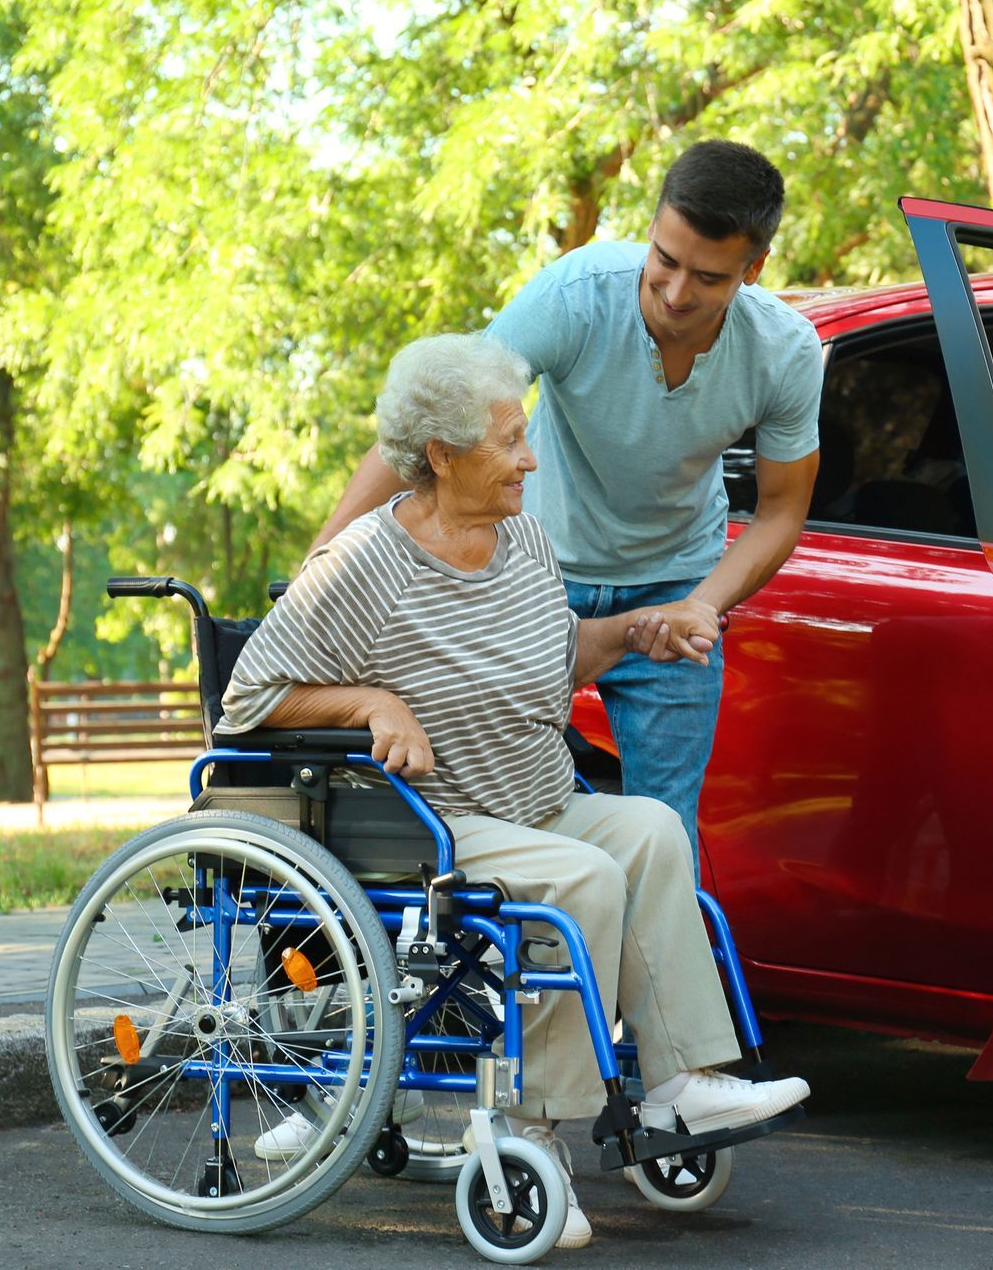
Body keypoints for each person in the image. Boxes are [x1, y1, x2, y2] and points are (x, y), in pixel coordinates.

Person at [224, 334, 810, 1250]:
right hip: (441, 825)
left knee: (653, 829)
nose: (531, 460)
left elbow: (551, 652)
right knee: (586, 876)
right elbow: (249, 701)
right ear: (443, 456)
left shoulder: (521, 538)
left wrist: (635, 633)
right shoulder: (359, 567)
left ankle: (681, 1083)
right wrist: (373, 699)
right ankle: (531, 1126)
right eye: (510, 442)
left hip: (537, 798)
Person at [312, 140, 823, 866]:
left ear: (754, 268)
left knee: (666, 830)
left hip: (675, 580)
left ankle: (645, 978)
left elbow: (779, 511)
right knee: (494, 803)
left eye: (707, 277)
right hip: (534, 576)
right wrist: (325, 559)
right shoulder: (578, 294)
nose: (676, 292)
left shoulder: (785, 351)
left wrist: (702, 605)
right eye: (664, 260)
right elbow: (440, 425)